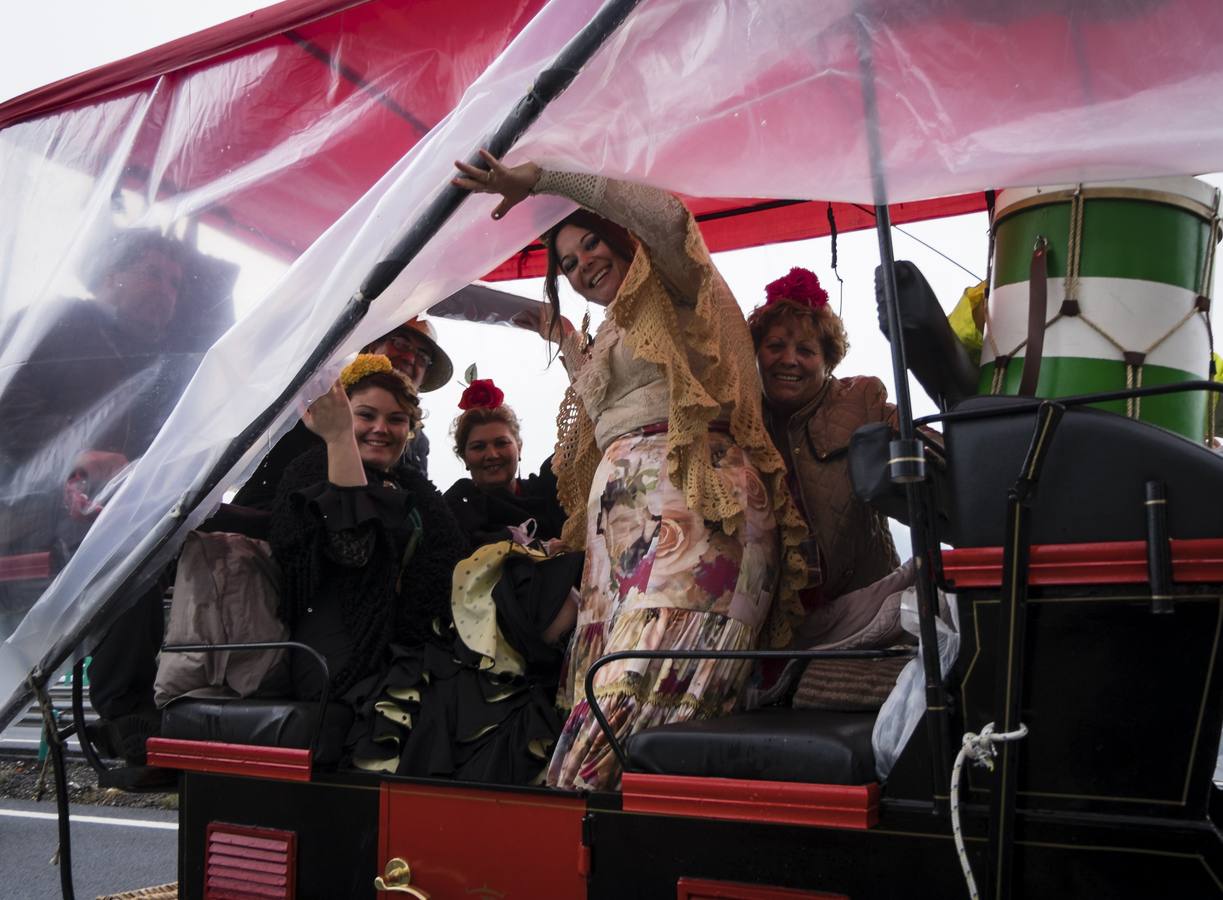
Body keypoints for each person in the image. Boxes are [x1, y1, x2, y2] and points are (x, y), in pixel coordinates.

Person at [454, 152, 805, 790]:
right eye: (567, 263)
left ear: (622, 238)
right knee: (610, 691)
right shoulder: (616, 328)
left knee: (640, 694)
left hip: (696, 508)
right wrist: (562, 340)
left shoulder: (674, 286)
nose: (584, 264)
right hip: (625, 530)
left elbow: (666, 218)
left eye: (593, 243)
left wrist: (541, 181)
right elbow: (607, 410)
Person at [269, 354, 466, 771]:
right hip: (343, 657)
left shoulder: (415, 489)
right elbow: (354, 552)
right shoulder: (310, 471)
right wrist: (339, 439)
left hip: (409, 643)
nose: (381, 428)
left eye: (396, 419)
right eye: (365, 415)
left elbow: (450, 563)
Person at [234, 317, 453, 508]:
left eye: (423, 356)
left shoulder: (418, 443)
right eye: (400, 342)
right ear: (371, 347)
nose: (409, 358)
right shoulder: (321, 396)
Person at [443, 376, 567, 545]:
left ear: (519, 448)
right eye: (479, 447)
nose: (492, 454)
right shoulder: (454, 511)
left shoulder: (553, 489)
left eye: (501, 443)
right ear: (464, 457)